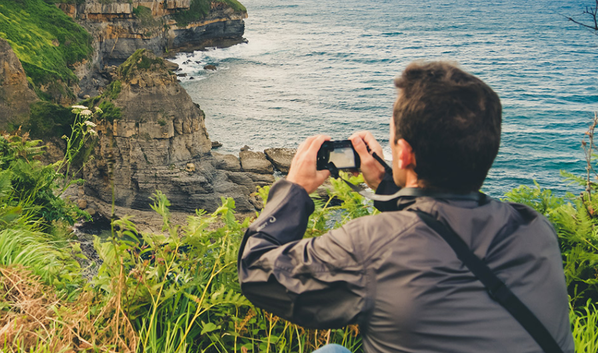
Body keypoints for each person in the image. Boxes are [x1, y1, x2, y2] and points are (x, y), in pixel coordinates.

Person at [237, 61, 574, 353]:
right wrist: (387, 185)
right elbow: (434, 235)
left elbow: (256, 271)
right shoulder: (535, 229)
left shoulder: (371, 246)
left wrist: (294, 189)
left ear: (405, 154)